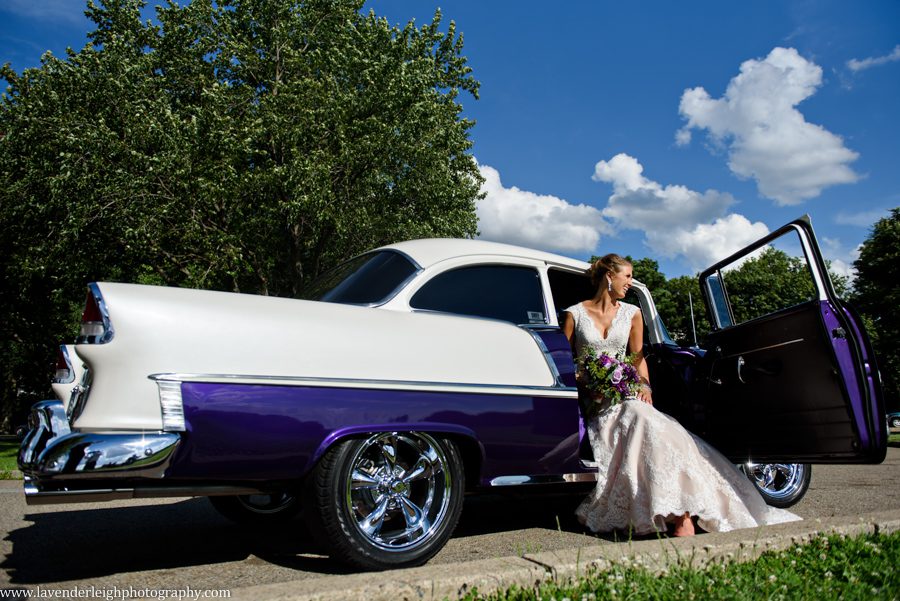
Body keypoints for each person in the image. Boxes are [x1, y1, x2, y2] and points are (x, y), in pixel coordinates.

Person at [562, 253, 800, 536]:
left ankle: (682, 514)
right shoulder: (574, 313)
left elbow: (637, 359)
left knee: (657, 426)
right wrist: (586, 385)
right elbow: (565, 361)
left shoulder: (632, 313)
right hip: (596, 402)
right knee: (646, 422)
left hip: (627, 394)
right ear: (609, 276)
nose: (630, 282)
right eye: (627, 276)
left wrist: (644, 387)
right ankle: (679, 514)